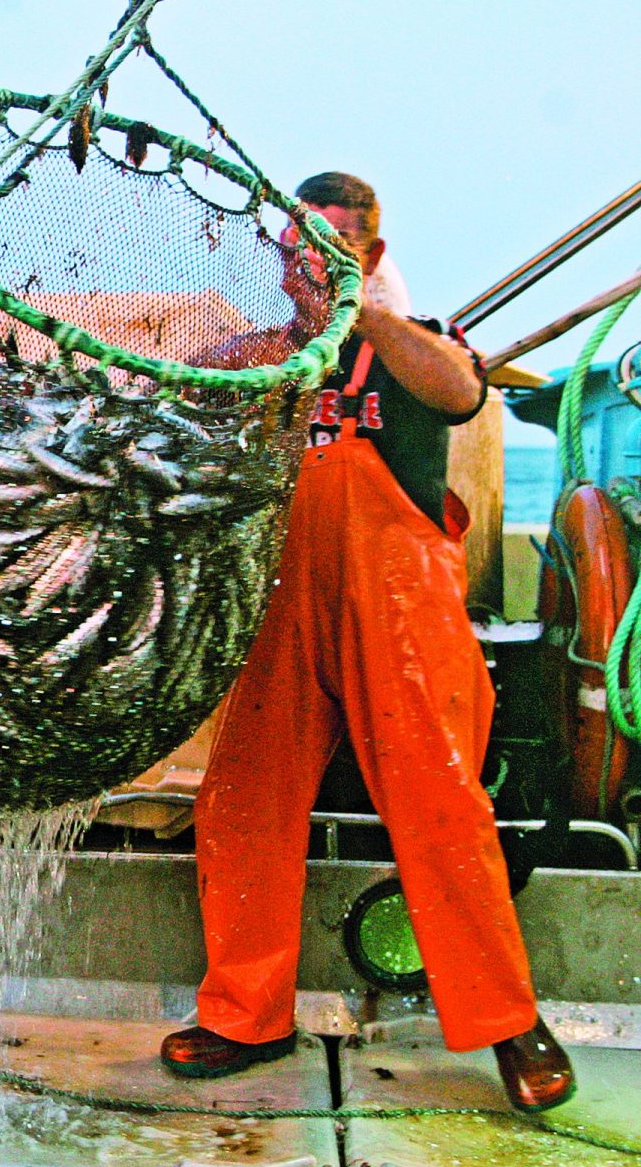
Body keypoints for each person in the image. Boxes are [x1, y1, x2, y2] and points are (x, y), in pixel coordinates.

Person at [161, 172, 574, 1112]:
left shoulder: (418, 345)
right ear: (280, 258)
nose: (323, 261)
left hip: (400, 608)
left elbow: (461, 392)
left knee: (439, 802)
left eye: (344, 246)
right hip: (275, 605)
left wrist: (367, 309)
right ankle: (243, 1015)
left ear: (372, 254)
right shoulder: (252, 356)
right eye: (308, 248)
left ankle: (509, 1021)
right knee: (242, 801)